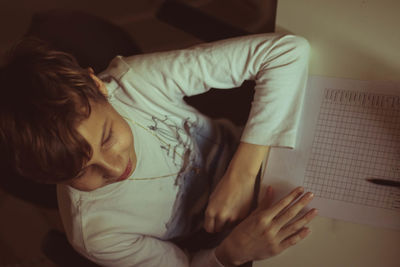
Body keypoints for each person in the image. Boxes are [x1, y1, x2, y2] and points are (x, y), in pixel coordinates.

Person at [0, 32, 317, 266]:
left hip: (264, 152)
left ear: (98, 87)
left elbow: (286, 52)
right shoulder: (95, 234)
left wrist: (242, 175)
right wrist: (233, 252)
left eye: (108, 137)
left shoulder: (133, 83)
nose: (113, 168)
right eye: (80, 172)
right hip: (239, 242)